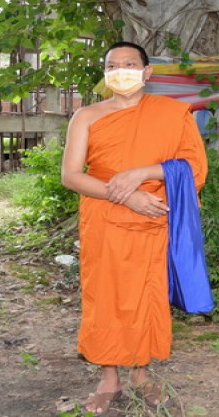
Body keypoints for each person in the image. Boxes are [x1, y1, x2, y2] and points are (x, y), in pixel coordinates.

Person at [61, 41, 208, 415]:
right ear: (105, 73)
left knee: (147, 295)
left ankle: (141, 375)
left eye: (129, 64)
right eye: (113, 65)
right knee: (105, 297)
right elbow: (71, 176)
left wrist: (144, 173)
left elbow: (194, 168)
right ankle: (109, 378)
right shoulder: (87, 116)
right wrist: (127, 196)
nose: (120, 70)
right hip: (105, 219)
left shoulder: (174, 114)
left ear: (147, 73)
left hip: (155, 218)